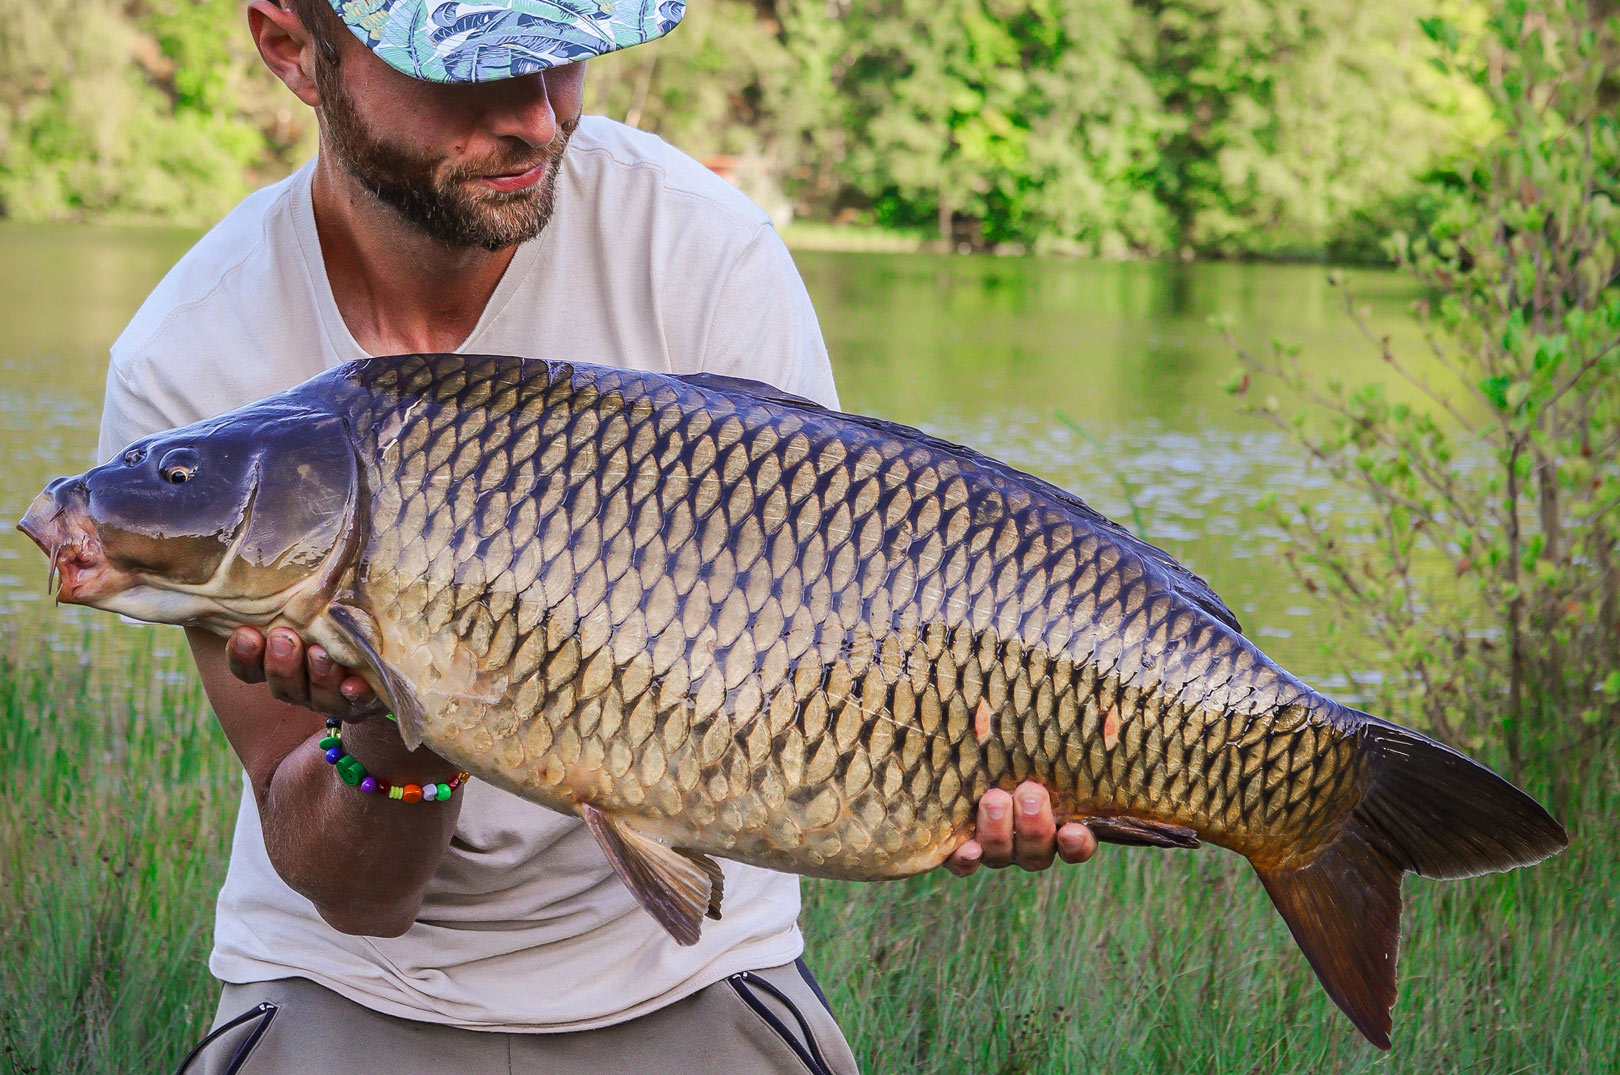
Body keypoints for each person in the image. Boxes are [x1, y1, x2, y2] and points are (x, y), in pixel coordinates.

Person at [98, 2, 1099, 1071]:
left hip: (692, 961)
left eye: (561, 58)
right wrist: (391, 716)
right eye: (472, 73)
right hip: (350, 977)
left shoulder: (702, 251)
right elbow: (356, 894)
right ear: (293, 48)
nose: (537, 117)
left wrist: (959, 757)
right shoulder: (195, 367)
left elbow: (837, 671)